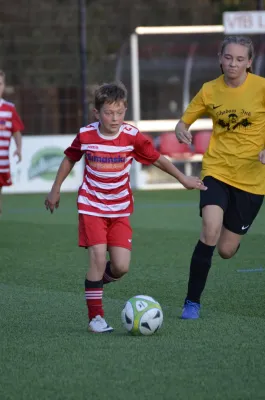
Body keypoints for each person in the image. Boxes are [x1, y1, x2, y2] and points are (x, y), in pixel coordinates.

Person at [45, 81, 207, 333]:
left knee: (120, 267)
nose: (115, 118)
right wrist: (55, 189)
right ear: (97, 113)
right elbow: (69, 159)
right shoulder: (86, 134)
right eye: (109, 113)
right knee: (98, 257)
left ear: (125, 110)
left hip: (120, 210)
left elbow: (157, 159)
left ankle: (94, 283)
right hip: (92, 206)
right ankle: (95, 318)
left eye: (119, 112)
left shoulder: (131, 136)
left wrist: (183, 178)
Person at [175, 35, 265, 319]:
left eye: (240, 59)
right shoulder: (209, 90)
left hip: (252, 179)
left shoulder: (262, 88)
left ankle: (233, 236)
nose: (233, 64)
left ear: (249, 63)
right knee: (209, 230)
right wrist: (181, 129)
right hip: (217, 170)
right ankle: (192, 302)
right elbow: (183, 121)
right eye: (228, 58)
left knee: (226, 250)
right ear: (220, 58)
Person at [0, 70, 24, 215]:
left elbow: (16, 131)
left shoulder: (9, 109)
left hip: (1, 161)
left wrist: (19, 148)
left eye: (0, 83)